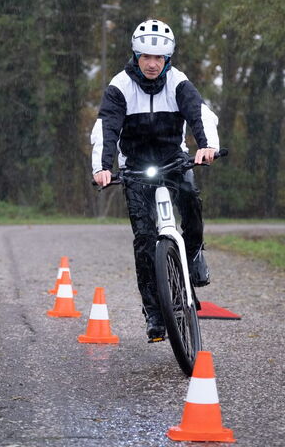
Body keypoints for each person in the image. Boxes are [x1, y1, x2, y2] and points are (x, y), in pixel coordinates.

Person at [90, 19, 219, 341]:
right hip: (135, 165)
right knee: (145, 240)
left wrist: (207, 146)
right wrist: (103, 167)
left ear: (167, 60)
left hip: (173, 158)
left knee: (190, 199)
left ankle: (193, 255)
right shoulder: (120, 86)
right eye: (145, 57)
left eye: (158, 58)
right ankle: (154, 313)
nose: (151, 63)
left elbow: (199, 114)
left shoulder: (178, 83)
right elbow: (106, 128)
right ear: (136, 56)